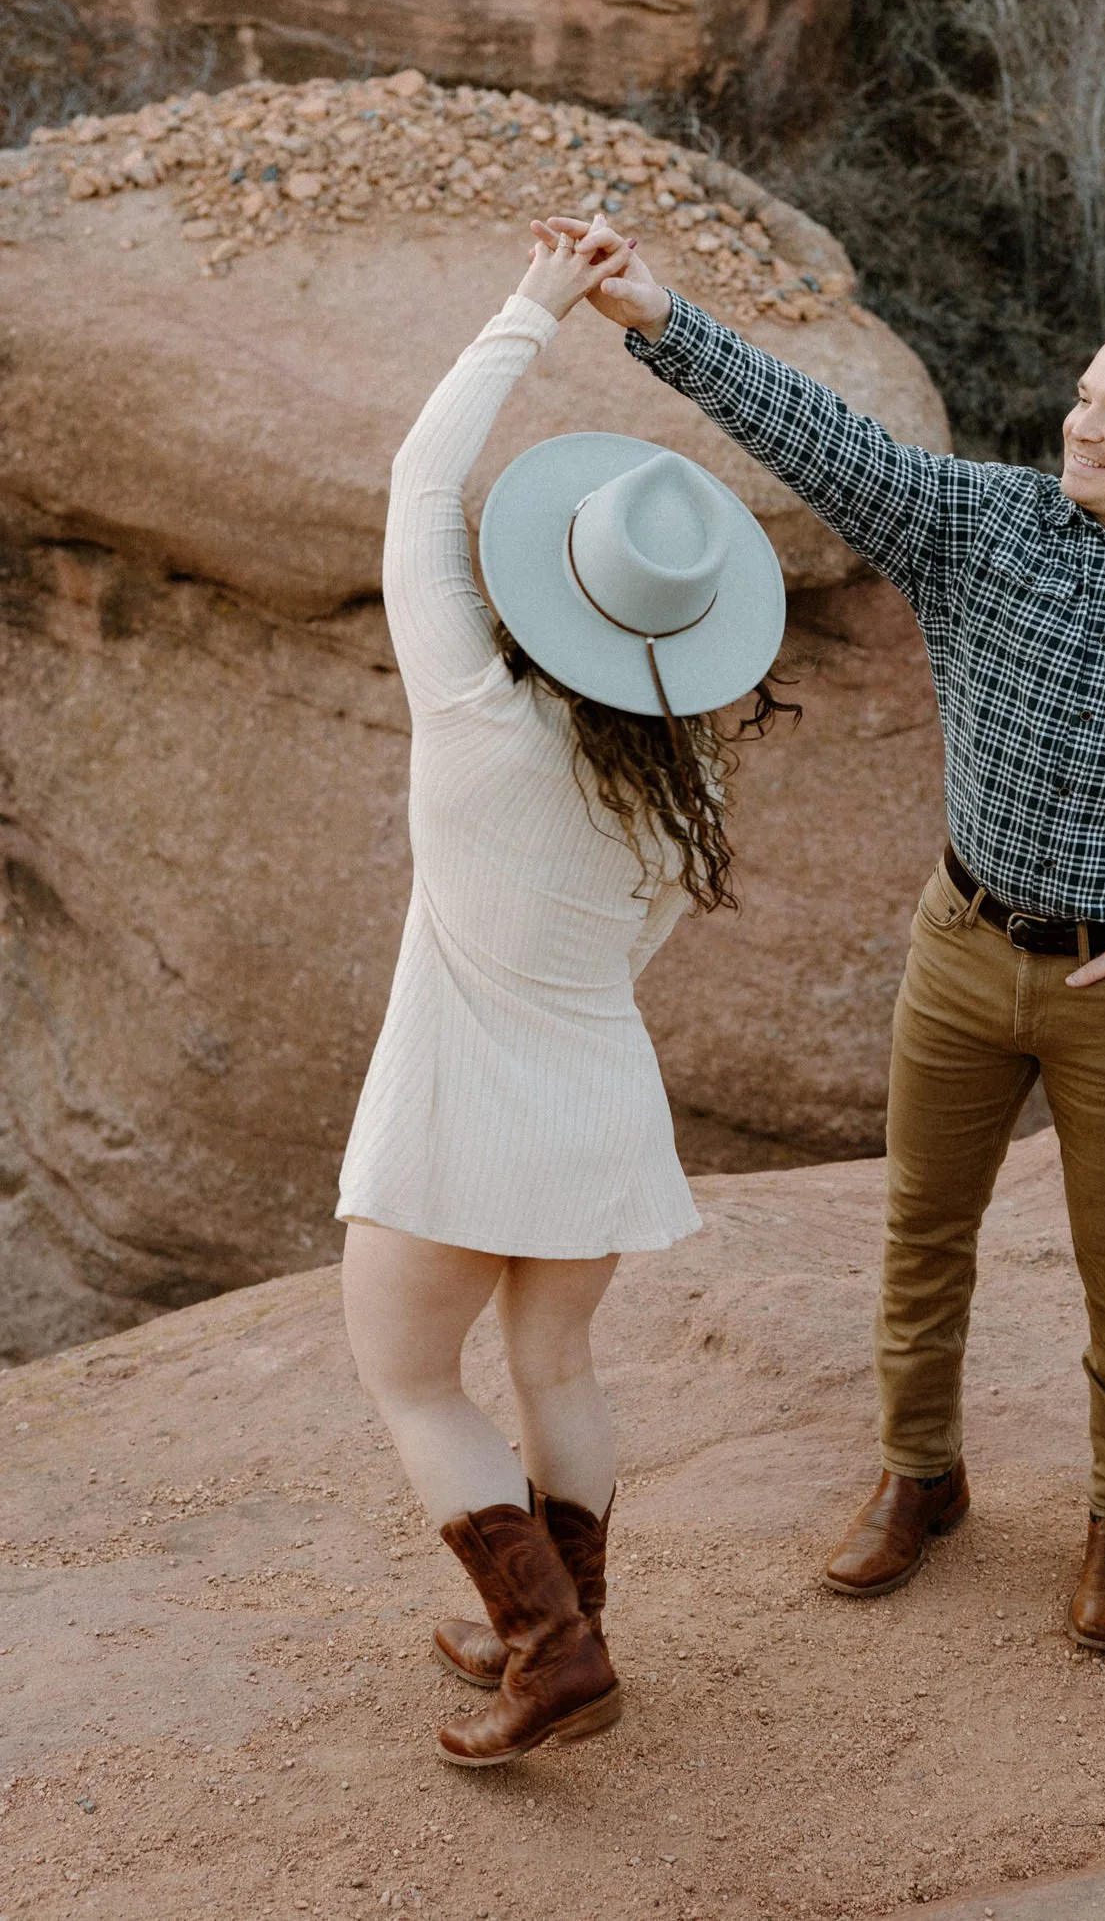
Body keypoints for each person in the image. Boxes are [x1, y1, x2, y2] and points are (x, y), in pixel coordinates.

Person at [573, 223, 1105, 1655]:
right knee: (920, 1234)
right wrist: (657, 315)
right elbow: (820, 438)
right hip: (960, 948)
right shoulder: (979, 524)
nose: (1081, 421)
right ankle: (918, 1479)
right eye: (1081, 395)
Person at [336, 214, 791, 1766]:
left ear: (554, 590)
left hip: (465, 1111)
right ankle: (571, 1627)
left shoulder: (472, 714)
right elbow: (626, 953)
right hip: (598, 1111)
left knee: (408, 1376)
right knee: (555, 1366)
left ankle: (549, 1649)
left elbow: (416, 487)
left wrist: (532, 304)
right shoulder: (692, 794)